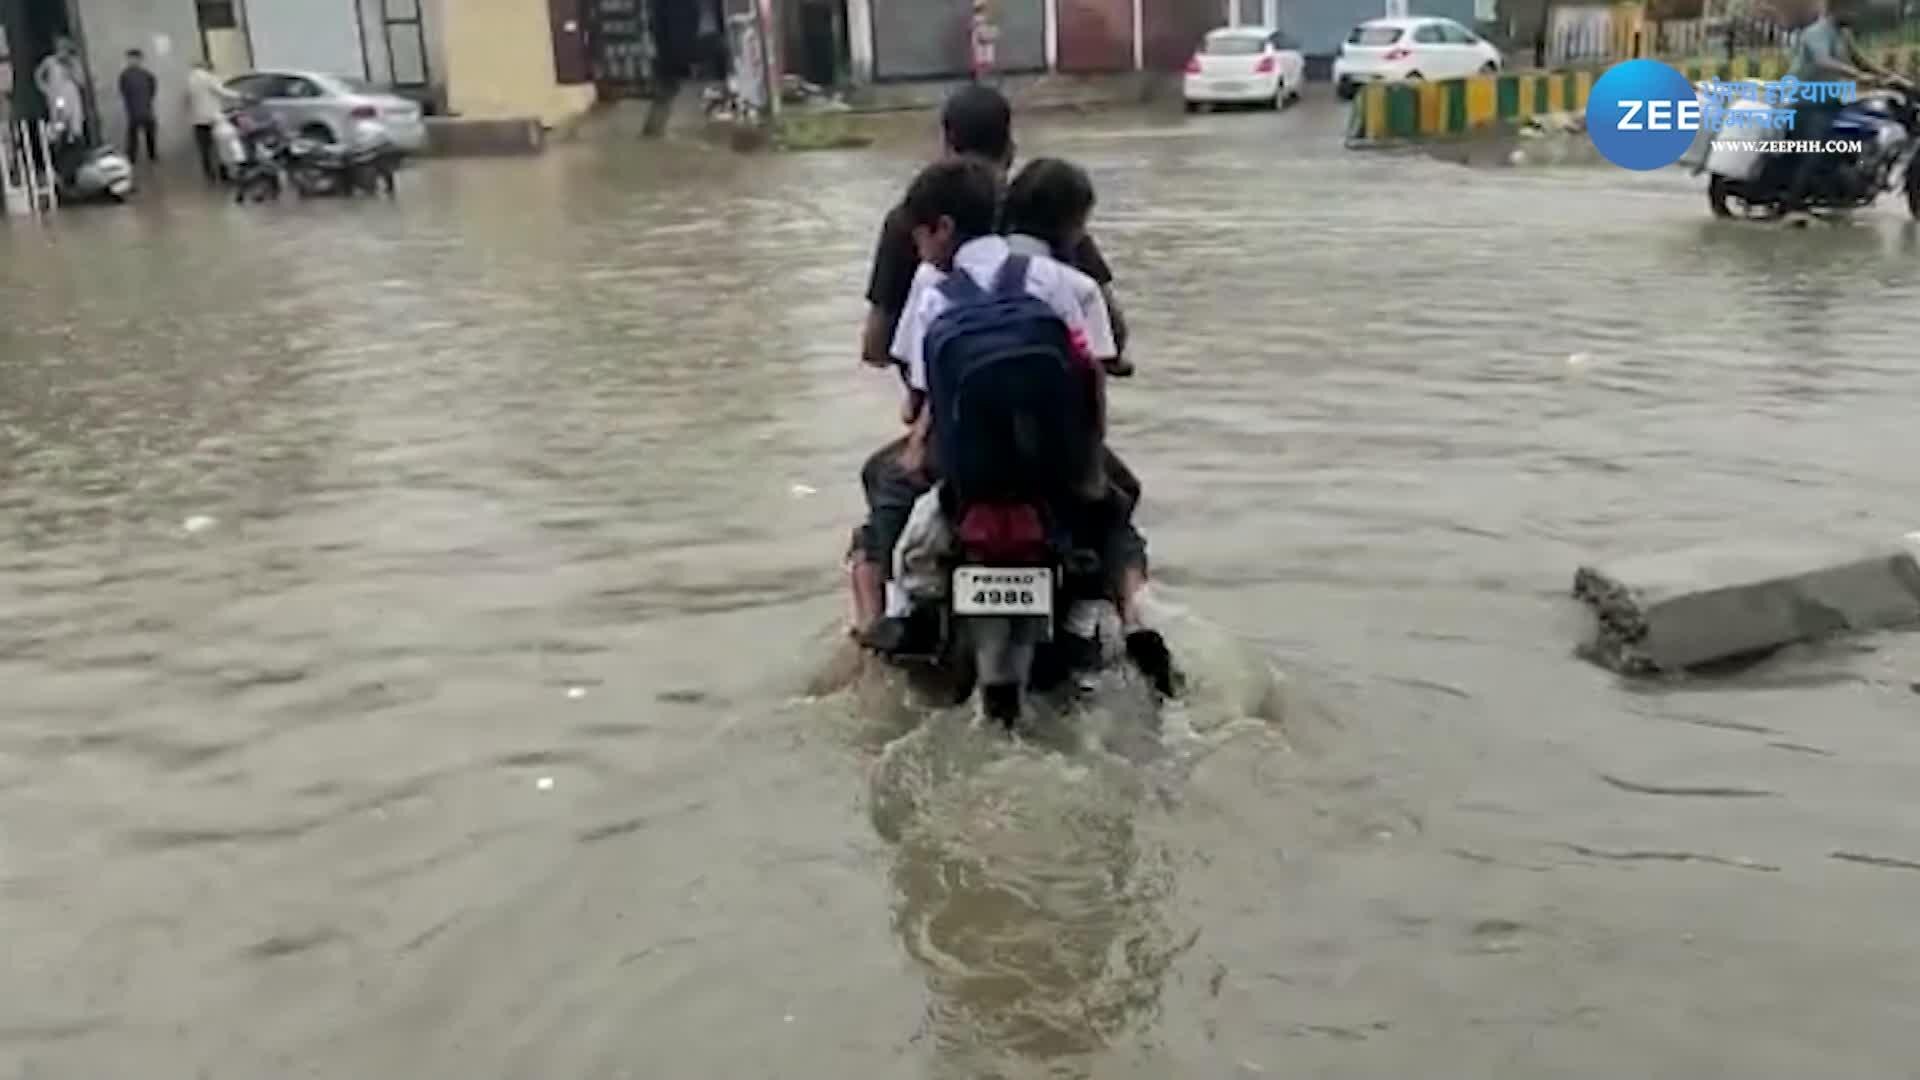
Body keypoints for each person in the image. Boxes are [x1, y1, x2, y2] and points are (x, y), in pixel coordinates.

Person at [851, 84, 1135, 639]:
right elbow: (1107, 333)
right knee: (1116, 501)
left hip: (958, 446)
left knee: (884, 488)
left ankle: (876, 625)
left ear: (947, 140)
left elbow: (876, 347)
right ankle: (1134, 611)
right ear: (1010, 143)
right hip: (1055, 449)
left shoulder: (917, 233)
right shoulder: (1044, 211)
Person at [886, 156, 1174, 691]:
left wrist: (920, 449)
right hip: (1056, 471)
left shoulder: (932, 293)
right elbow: (1091, 376)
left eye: (919, 236)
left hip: (969, 478)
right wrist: (1087, 458)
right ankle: (1132, 613)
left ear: (942, 228)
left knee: (904, 520)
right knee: (1114, 515)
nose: (917, 248)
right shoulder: (1062, 282)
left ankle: (907, 619)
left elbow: (919, 405)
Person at [1777, 0, 1909, 216]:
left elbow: (1861, 61)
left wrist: (1892, 77)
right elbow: (1824, 61)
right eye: (1852, 9)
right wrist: (1859, 76)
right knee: (1815, 150)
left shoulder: (1843, 34)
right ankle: (1792, 203)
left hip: (1830, 101)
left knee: (1853, 131)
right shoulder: (1816, 33)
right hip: (1806, 102)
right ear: (1837, 9)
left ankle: (1846, 182)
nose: (1856, 14)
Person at [186, 59, 228, 184]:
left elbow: (189, 100)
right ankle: (223, 173)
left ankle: (209, 173)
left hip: (198, 119)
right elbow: (222, 92)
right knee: (220, 147)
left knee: (204, 149)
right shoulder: (209, 78)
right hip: (212, 118)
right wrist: (241, 96)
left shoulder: (190, 80)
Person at [35, 37, 85, 138]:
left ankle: (75, 137)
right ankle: (61, 138)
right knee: (60, 119)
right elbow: (38, 75)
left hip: (72, 95)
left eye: (65, 48)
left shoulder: (73, 62)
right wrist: (45, 89)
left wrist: (72, 70)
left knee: (75, 120)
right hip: (58, 96)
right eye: (61, 48)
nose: (63, 51)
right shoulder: (50, 61)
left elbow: (81, 81)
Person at [119, 49, 158, 165]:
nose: (132, 61)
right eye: (130, 59)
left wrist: (147, 100)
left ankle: (151, 155)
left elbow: (153, 89)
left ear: (139, 60)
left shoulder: (146, 75)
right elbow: (123, 91)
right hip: (135, 109)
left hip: (143, 108)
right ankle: (133, 157)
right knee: (134, 135)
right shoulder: (125, 75)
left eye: (134, 58)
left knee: (148, 133)